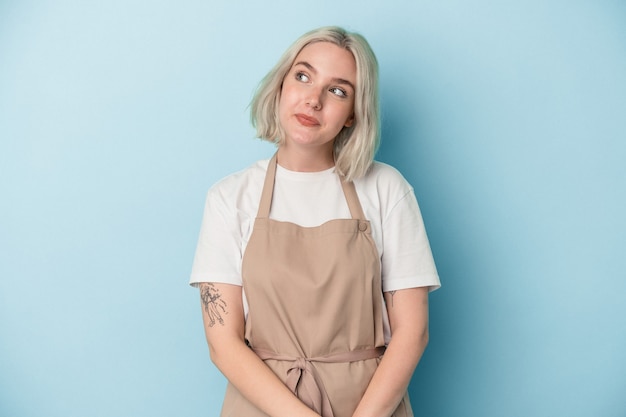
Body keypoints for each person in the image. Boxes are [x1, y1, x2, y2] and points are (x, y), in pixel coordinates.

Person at [190, 26, 440, 417]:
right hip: (262, 407)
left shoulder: (387, 189)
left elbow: (413, 332)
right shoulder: (229, 198)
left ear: (353, 115)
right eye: (303, 76)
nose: (313, 100)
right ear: (280, 86)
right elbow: (223, 343)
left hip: (368, 406)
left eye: (338, 90)